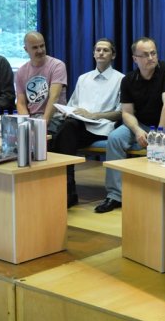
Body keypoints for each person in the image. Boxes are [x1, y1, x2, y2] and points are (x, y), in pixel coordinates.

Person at [97, 37, 165, 213]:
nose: (151, 58)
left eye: (153, 53)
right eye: (145, 55)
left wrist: (159, 135)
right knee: (115, 138)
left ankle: (158, 196)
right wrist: (137, 130)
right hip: (142, 125)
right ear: (135, 59)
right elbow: (127, 113)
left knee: (161, 145)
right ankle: (115, 195)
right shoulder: (128, 80)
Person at [51, 38, 124, 207]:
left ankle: (66, 188)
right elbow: (73, 105)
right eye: (98, 50)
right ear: (93, 53)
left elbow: (120, 113)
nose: (101, 53)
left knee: (62, 135)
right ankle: (67, 187)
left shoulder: (121, 79)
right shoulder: (83, 78)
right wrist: (68, 112)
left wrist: (93, 115)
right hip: (78, 124)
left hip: (101, 127)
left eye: (105, 50)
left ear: (113, 55)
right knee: (64, 128)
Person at [15, 31, 67, 133]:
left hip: (54, 117)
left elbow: (54, 98)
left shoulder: (57, 65)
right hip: (32, 118)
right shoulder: (21, 72)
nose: (40, 50)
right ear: (26, 49)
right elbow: (21, 103)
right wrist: (26, 124)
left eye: (42, 46)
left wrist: (41, 126)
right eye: (35, 47)